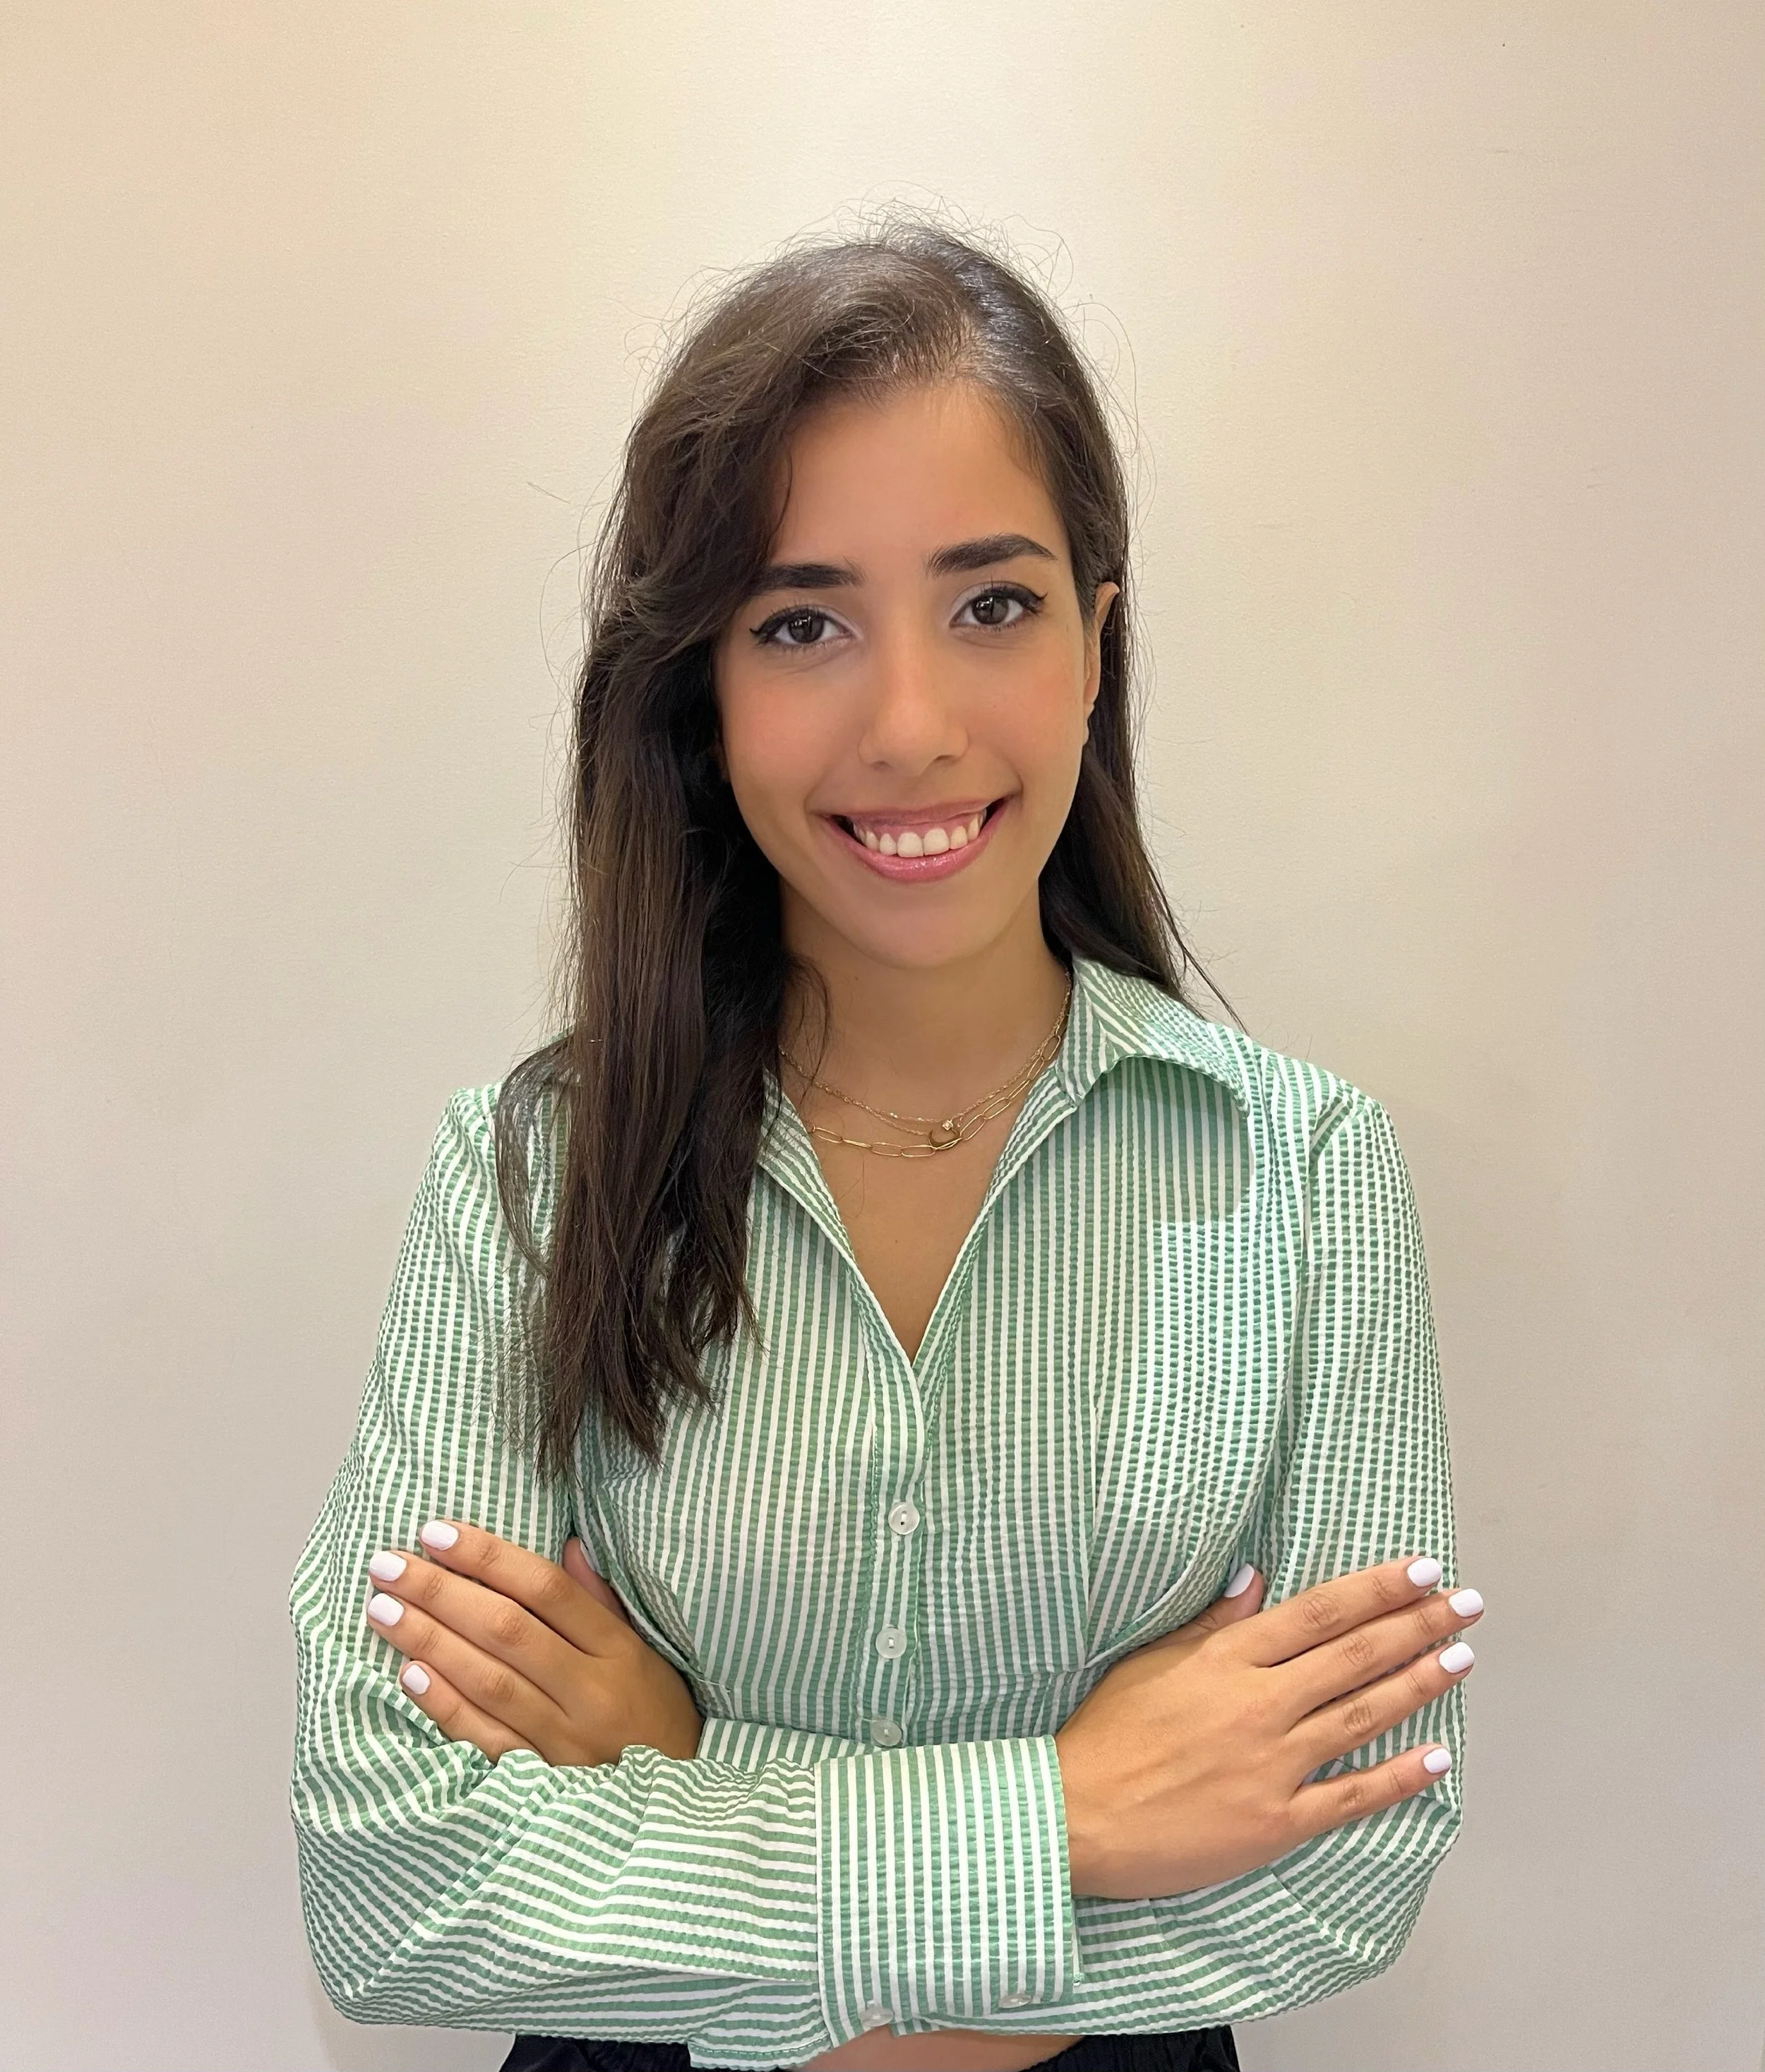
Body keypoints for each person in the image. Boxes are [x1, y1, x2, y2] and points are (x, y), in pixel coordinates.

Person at [289, 217, 1478, 2072]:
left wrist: (683, 1768)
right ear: (702, 685)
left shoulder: (1304, 1172)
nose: (909, 722)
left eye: (992, 602)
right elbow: (396, 1885)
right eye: (802, 621)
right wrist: (1071, 1814)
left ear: (1097, 638)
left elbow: (1338, 1868)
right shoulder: (529, 1167)